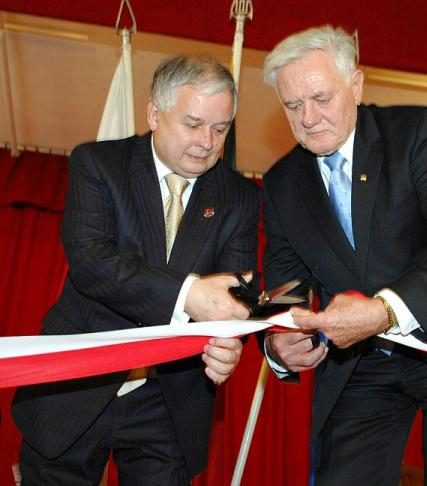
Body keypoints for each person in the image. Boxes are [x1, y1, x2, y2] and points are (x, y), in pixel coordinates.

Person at [260, 25, 427, 485]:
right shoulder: (281, 183)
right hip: (359, 363)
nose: (308, 117)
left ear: (357, 86)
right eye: (292, 105)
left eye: (321, 97)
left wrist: (384, 311)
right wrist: (278, 344)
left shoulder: (416, 131)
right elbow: (287, 289)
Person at [12, 55, 260, 484]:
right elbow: (93, 264)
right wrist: (190, 295)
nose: (208, 142)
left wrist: (226, 345)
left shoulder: (239, 197)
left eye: (221, 129)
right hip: (75, 386)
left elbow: (232, 295)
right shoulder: (98, 164)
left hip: (170, 402)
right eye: (193, 124)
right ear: (154, 113)